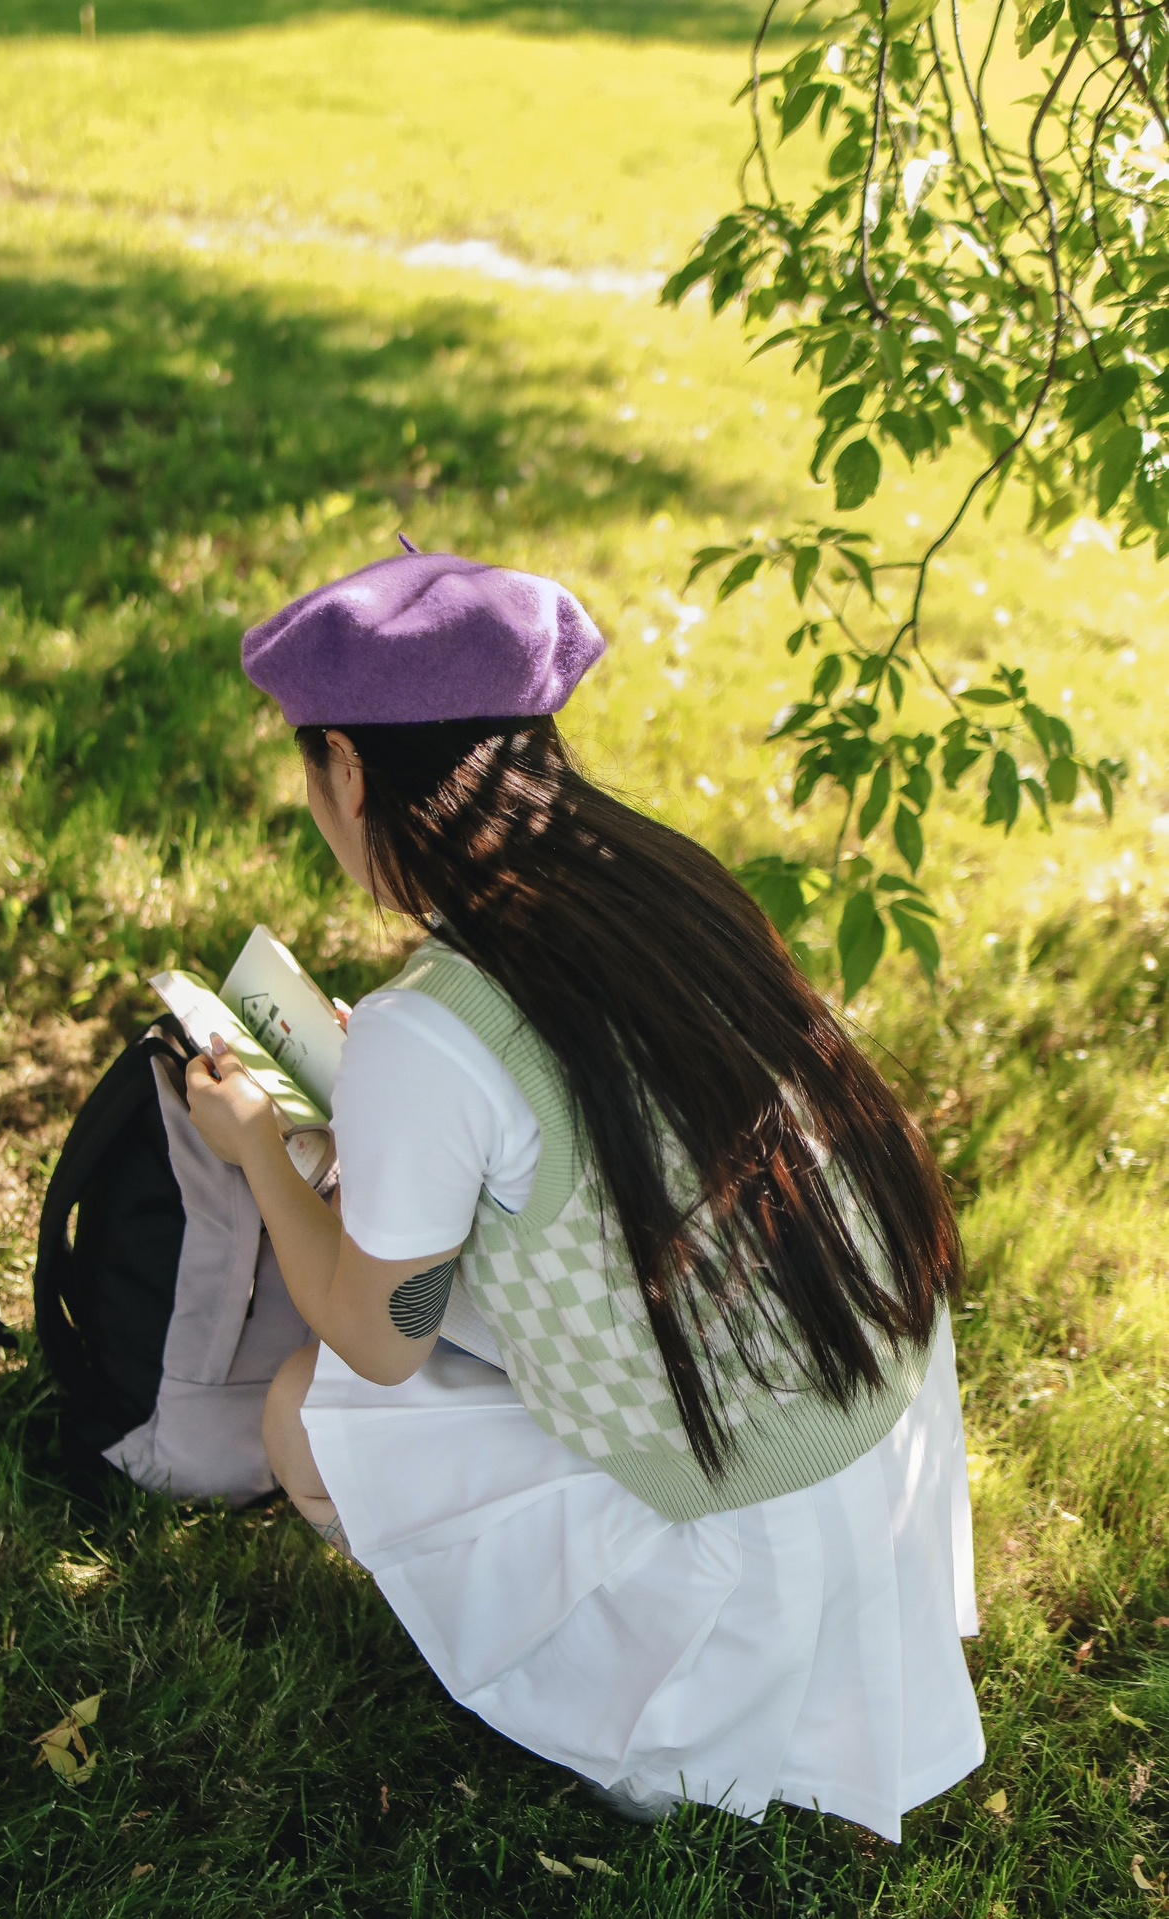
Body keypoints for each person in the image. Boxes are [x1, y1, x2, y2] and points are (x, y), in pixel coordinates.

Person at [184, 542, 983, 1836]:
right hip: (863, 1432)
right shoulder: (661, 884)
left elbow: (382, 1341)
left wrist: (258, 1150)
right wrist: (383, 1107)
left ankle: (633, 1714)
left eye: (308, 776)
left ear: (341, 764)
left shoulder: (430, 1028)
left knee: (304, 1413)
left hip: (737, 1554)